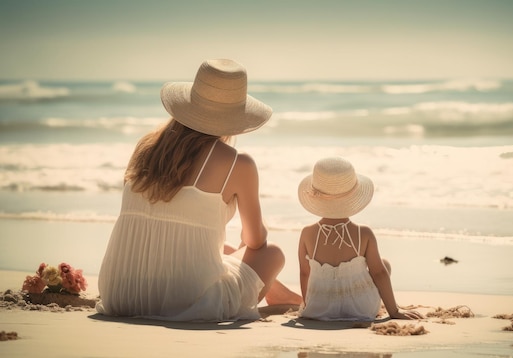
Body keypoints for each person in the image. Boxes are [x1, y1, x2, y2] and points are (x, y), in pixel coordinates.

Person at [97, 59, 301, 322]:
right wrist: (252, 239)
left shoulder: (146, 148)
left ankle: (281, 294)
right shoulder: (238, 163)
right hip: (190, 302)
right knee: (272, 252)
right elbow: (256, 242)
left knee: (222, 248)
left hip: (122, 294)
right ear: (235, 117)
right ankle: (279, 294)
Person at [297, 157, 423, 321]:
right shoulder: (363, 233)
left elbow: (304, 272)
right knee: (383, 264)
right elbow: (379, 273)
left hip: (319, 309)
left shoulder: (307, 233)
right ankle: (384, 304)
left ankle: (318, 304)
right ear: (353, 196)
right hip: (360, 308)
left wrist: (309, 305)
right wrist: (394, 311)